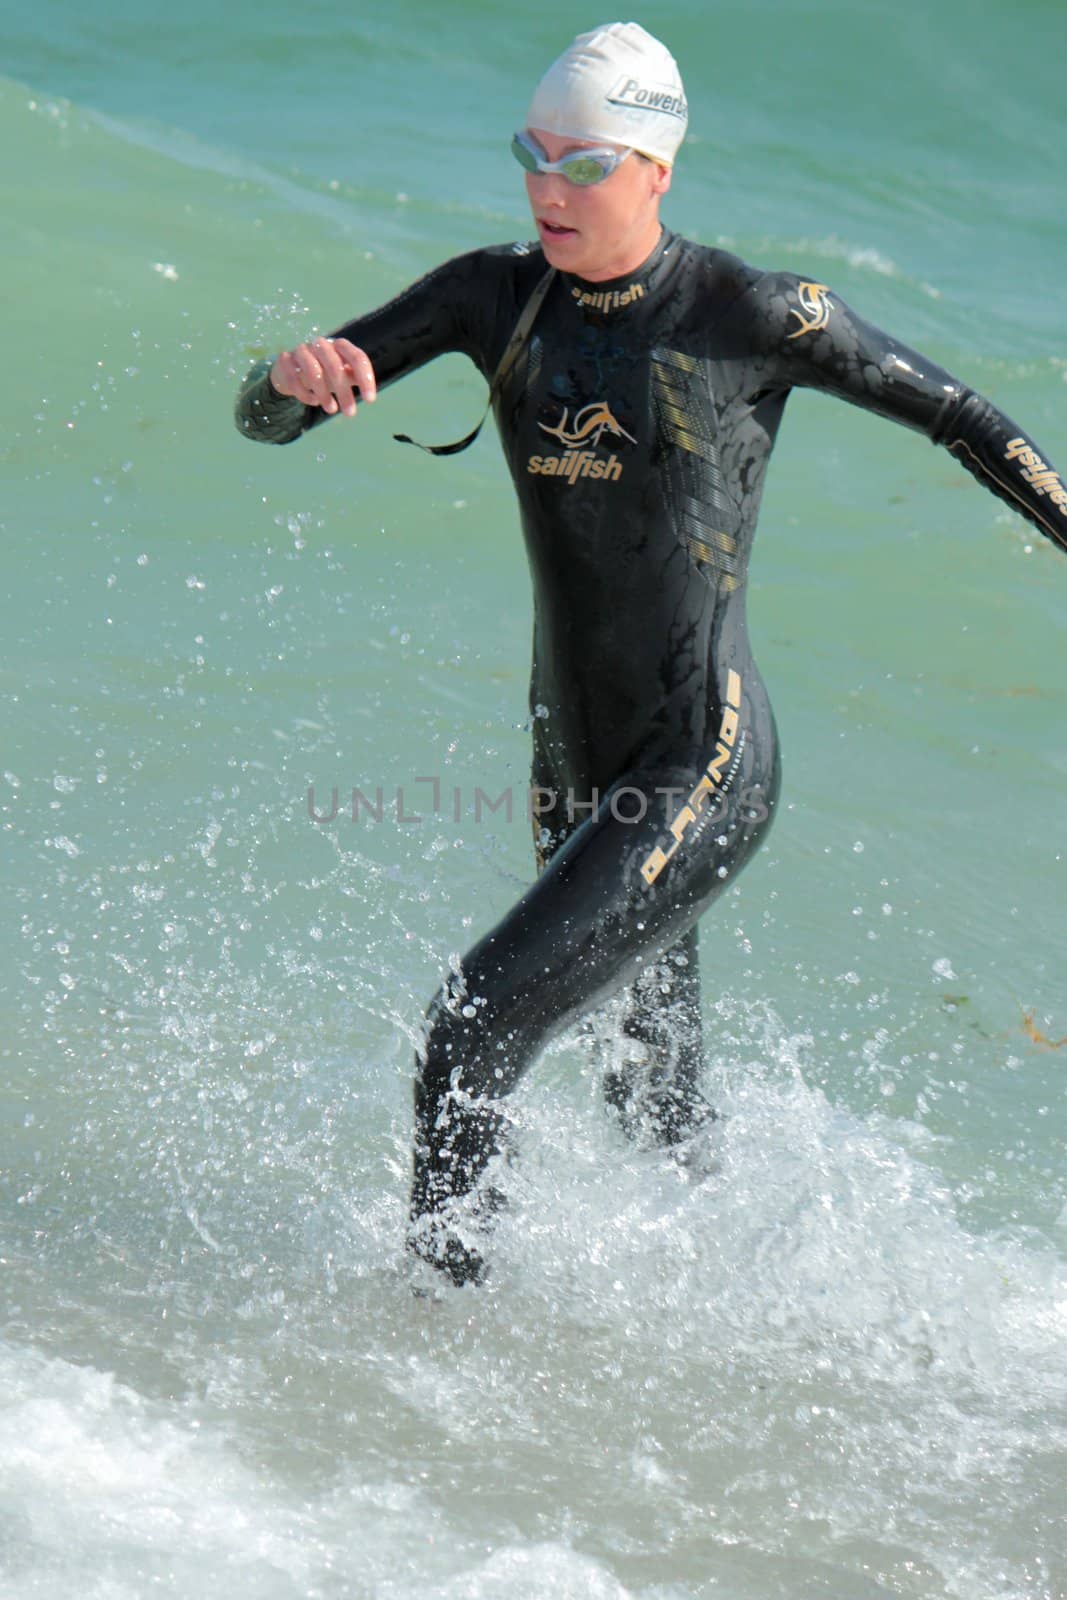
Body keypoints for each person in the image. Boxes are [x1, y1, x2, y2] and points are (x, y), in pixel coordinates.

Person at [236, 22, 1066, 1287]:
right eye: (532, 155)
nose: (548, 189)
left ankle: (433, 1344)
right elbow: (268, 417)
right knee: (653, 1110)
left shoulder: (752, 313)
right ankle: (723, 1339)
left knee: (469, 1030)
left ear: (656, 169)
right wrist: (291, 381)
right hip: (569, 760)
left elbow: (955, 413)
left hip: (701, 758)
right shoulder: (492, 296)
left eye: (584, 165)